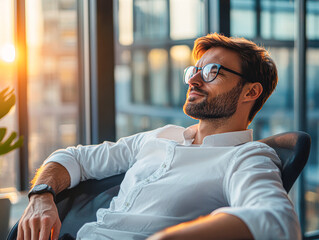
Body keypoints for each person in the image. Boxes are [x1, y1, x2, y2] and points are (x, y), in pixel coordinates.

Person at [18, 33, 301, 240]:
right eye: (195, 70)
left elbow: (277, 221)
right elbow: (74, 158)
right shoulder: (162, 136)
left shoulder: (247, 157)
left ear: (250, 92)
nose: (193, 79)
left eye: (213, 71)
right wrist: (41, 195)